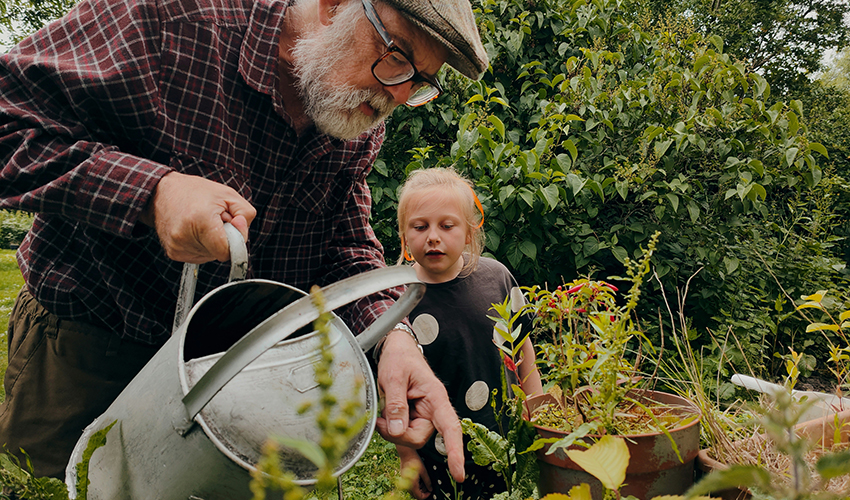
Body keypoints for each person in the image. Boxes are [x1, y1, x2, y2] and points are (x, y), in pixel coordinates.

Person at [0, 0, 490, 481]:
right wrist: (153, 192)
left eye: (420, 80)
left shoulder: (356, 115)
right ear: (334, 5)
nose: (399, 95)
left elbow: (342, 246)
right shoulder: (170, 18)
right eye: (398, 56)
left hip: (237, 377)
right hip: (89, 354)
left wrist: (393, 340)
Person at [392, 167, 542, 500]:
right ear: (404, 234)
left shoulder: (496, 278)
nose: (433, 236)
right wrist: (406, 454)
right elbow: (395, 389)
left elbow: (523, 349)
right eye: (420, 226)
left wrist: (536, 408)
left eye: (447, 226)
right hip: (436, 455)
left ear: (469, 233)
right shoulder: (396, 297)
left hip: (506, 442)